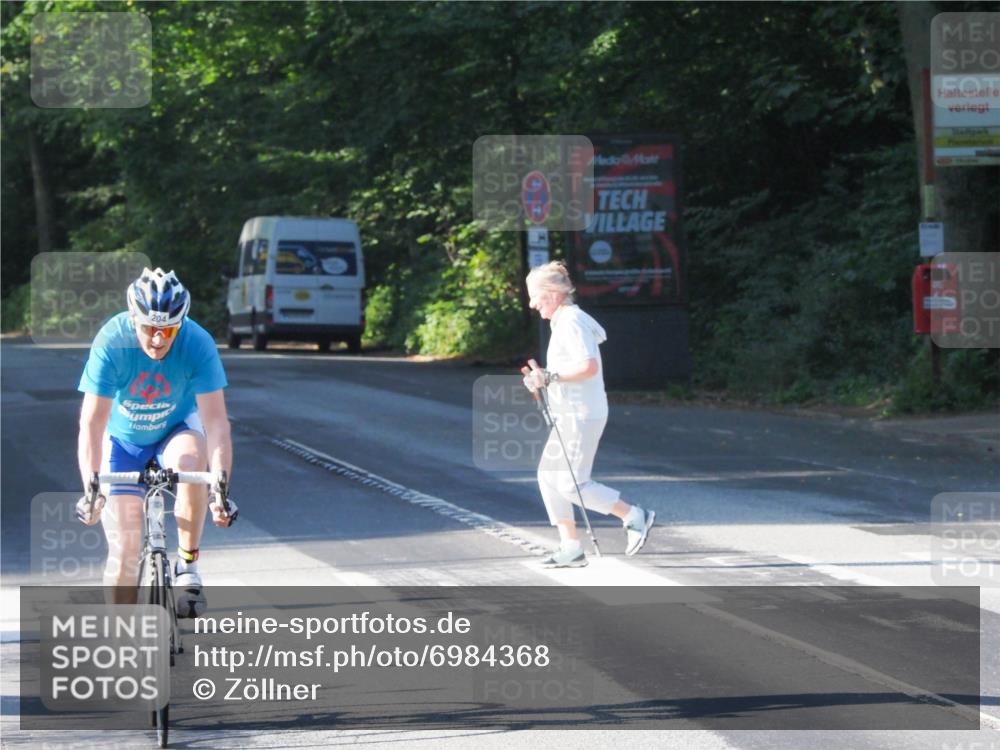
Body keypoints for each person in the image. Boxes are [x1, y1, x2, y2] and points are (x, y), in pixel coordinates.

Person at [76, 267, 238, 615]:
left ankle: (187, 566)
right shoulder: (112, 341)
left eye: (168, 330)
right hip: (121, 441)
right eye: (149, 328)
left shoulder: (197, 343)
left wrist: (220, 489)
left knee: (192, 463)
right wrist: (91, 489)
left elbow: (217, 423)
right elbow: (92, 422)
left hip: (174, 430)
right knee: (125, 549)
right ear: (133, 318)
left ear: (181, 324)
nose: (158, 339)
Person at [523, 261, 654, 568]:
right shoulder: (563, 321)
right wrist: (542, 378)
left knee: (571, 483)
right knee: (548, 476)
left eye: (535, 296)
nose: (532, 303)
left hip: (582, 415)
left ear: (553, 293)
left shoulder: (572, 322)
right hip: (570, 415)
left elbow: (589, 367)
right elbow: (570, 371)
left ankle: (634, 515)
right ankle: (570, 546)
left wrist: (550, 377)